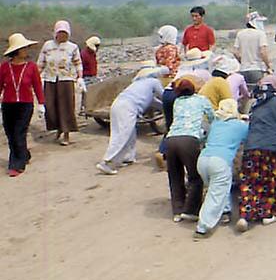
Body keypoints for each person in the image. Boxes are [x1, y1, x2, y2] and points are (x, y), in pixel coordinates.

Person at [237, 75, 276, 230]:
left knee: (250, 183)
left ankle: (245, 216)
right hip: (271, 147)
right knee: (273, 181)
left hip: (251, 147)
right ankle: (269, 213)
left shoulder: (255, 104)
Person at [96, 65, 167, 175]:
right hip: (127, 107)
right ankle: (106, 162)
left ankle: (128, 157)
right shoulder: (154, 82)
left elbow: (154, 102)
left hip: (118, 104)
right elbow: (164, 97)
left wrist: (164, 108)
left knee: (129, 133)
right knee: (122, 134)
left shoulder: (139, 84)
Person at [193, 99, 249, 238]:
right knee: (215, 194)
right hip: (221, 160)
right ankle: (203, 227)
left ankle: (225, 211)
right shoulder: (240, 126)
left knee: (218, 187)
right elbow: (248, 138)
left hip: (203, 160)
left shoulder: (215, 124)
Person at [165, 75, 215, 223]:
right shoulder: (201, 100)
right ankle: (191, 210)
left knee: (175, 176)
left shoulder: (177, 102)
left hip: (171, 139)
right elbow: (212, 117)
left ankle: (177, 211)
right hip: (189, 139)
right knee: (195, 176)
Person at [2, 33, 44, 177]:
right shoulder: (4, 68)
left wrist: (41, 104)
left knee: (19, 133)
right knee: (10, 134)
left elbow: (37, 86)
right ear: (16, 51)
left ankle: (16, 165)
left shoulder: (31, 67)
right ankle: (24, 155)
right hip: (8, 105)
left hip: (25, 105)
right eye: (23, 48)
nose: (26, 50)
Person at [37, 20, 81, 145]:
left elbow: (78, 63)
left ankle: (66, 133)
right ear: (55, 33)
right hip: (50, 80)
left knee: (66, 107)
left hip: (66, 80)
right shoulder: (48, 46)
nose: (62, 35)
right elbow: (41, 63)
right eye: (60, 33)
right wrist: (34, 78)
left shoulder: (72, 47)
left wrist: (80, 78)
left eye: (65, 33)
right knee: (50, 106)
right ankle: (58, 128)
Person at [233, 12, 271, 85]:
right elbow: (263, 52)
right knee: (257, 93)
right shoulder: (260, 34)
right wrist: (268, 66)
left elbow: (235, 52)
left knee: (246, 93)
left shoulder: (240, 34)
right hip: (257, 68)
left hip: (243, 69)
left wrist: (242, 61)